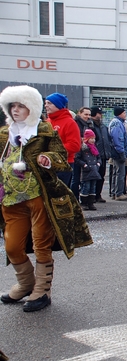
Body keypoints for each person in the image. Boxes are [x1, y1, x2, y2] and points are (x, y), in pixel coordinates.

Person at [0, 85, 92, 311]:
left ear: (30, 108)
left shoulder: (44, 130)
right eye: (13, 106)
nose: (16, 110)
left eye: (21, 106)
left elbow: (62, 157)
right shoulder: (5, 133)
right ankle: (26, 283)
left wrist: (47, 159)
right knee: (12, 247)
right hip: (11, 198)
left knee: (42, 244)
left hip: (40, 197)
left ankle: (42, 291)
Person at [44, 92, 80, 187]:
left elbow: (75, 145)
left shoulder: (69, 122)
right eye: (45, 103)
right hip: (46, 164)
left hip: (63, 164)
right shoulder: (47, 122)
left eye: (49, 103)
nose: (46, 106)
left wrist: (53, 151)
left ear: (58, 105)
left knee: (59, 196)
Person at [74, 129, 101, 211]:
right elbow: (77, 158)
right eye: (91, 138)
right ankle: (84, 203)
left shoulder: (95, 148)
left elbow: (98, 157)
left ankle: (91, 203)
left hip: (94, 170)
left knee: (93, 187)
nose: (93, 140)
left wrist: (98, 163)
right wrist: (84, 165)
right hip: (87, 171)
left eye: (94, 138)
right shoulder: (82, 148)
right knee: (86, 187)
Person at [108, 106, 127, 201]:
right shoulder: (117, 123)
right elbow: (117, 139)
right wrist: (121, 152)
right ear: (120, 113)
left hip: (116, 150)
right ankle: (118, 193)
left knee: (116, 172)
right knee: (120, 173)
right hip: (118, 151)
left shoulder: (117, 122)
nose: (125, 114)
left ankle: (114, 192)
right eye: (124, 113)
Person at [72, 107, 93, 201]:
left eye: (89, 115)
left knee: (85, 178)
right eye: (85, 114)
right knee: (75, 177)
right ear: (80, 113)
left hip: (87, 153)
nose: (87, 117)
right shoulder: (75, 123)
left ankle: (84, 197)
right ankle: (74, 198)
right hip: (77, 153)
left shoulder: (90, 123)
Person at [90, 107, 110, 203]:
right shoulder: (90, 125)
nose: (101, 115)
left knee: (101, 176)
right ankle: (91, 195)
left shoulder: (103, 126)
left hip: (103, 155)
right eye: (99, 113)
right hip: (93, 156)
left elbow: (107, 139)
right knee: (92, 176)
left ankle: (98, 194)